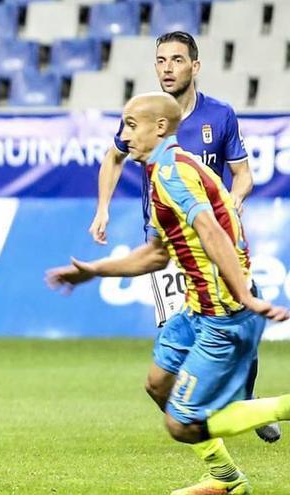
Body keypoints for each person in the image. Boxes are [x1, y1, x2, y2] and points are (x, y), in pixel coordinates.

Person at [48, 92, 290, 495]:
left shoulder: (174, 173)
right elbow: (157, 255)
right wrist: (93, 272)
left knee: (182, 424)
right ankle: (226, 479)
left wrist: (245, 297)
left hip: (225, 313)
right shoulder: (164, 170)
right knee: (159, 384)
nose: (124, 135)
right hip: (199, 309)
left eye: (131, 124)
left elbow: (211, 231)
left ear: (160, 127)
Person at [87, 31, 280, 443]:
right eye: (160, 60)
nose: (167, 68)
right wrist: (102, 208)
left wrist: (229, 201)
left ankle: (242, 402)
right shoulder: (146, 117)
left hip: (214, 241)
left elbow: (243, 175)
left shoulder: (220, 115)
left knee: (227, 323)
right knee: (173, 354)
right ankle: (204, 422)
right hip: (166, 244)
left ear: (195, 65)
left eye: (176, 60)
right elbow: (113, 156)